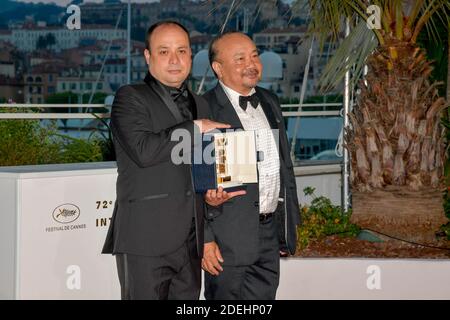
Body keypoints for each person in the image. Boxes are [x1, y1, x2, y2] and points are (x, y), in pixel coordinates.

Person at [102, 20, 229, 300]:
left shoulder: (201, 103)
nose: (175, 60)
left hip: (191, 243)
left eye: (182, 51)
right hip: (145, 239)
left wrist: (212, 200)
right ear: (148, 56)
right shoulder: (129, 97)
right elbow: (144, 151)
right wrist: (196, 128)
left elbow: (201, 173)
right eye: (164, 51)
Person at [201, 32, 301, 300]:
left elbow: (282, 168)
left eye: (255, 55)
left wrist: (284, 228)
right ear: (218, 69)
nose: (251, 63)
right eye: (240, 58)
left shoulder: (270, 101)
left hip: (268, 234)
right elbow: (188, 184)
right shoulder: (201, 108)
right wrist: (205, 239)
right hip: (226, 237)